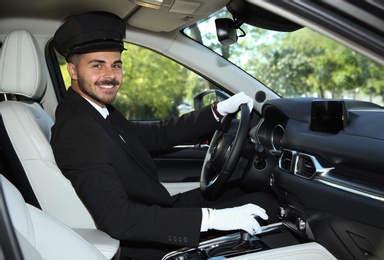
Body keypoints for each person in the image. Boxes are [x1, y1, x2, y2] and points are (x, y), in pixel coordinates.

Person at [50, 11, 279, 259]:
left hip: (157, 209)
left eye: (115, 65)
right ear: (73, 70)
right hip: (143, 242)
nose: (110, 76)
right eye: (97, 65)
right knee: (268, 207)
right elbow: (118, 219)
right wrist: (213, 219)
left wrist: (217, 111)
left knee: (245, 192)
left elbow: (158, 135)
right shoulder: (76, 128)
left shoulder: (95, 110)